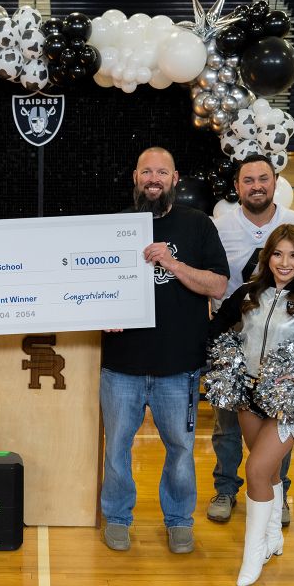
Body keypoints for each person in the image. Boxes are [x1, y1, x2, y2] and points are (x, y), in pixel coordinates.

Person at [206, 224, 294, 585]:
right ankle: (272, 535)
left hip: (286, 401)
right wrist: (226, 357)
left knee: (256, 470)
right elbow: (214, 330)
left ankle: (252, 555)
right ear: (267, 256)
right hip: (248, 396)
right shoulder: (247, 294)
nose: (284, 262)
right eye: (277, 253)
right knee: (268, 472)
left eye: (293, 255)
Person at [100, 147, 229, 554]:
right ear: (135, 177)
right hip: (122, 364)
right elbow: (91, 287)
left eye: (162, 172)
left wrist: (173, 264)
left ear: (175, 179)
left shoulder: (198, 225)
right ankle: (118, 517)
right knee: (117, 448)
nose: (153, 178)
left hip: (179, 365)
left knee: (180, 450)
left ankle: (178, 520)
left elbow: (218, 286)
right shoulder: (116, 225)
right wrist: (103, 310)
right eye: (146, 171)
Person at [208, 154, 294, 526]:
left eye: (263, 178)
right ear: (237, 187)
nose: (256, 186)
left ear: (275, 181)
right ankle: (226, 488)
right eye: (248, 180)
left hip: (284, 345)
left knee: (280, 422)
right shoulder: (221, 226)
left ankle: (277, 491)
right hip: (236, 340)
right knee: (226, 425)